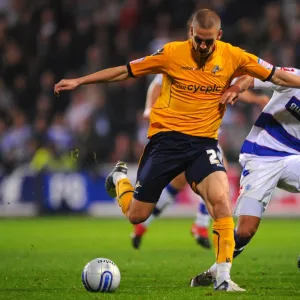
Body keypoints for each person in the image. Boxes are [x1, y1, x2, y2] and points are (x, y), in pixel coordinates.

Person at [54, 9, 300, 292]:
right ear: (190, 34)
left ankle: (222, 277)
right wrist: (80, 81)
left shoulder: (234, 56)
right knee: (137, 214)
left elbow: (277, 76)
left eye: (209, 41)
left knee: (221, 201)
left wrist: (238, 87)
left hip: (204, 143)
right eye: (199, 40)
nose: (203, 47)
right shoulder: (172, 53)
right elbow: (125, 71)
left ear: (218, 36)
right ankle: (119, 179)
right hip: (166, 141)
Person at [131, 71, 269, 250]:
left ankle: (144, 225)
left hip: (202, 133)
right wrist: (149, 108)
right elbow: (158, 82)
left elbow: (236, 88)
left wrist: (254, 100)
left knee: (179, 183)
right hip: (189, 133)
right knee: (218, 174)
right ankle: (200, 225)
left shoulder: (217, 66)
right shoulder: (182, 61)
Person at [190, 67, 300, 287]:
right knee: (246, 229)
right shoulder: (294, 77)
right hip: (261, 157)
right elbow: (254, 76)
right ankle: (217, 272)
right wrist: (235, 87)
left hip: (294, 159)